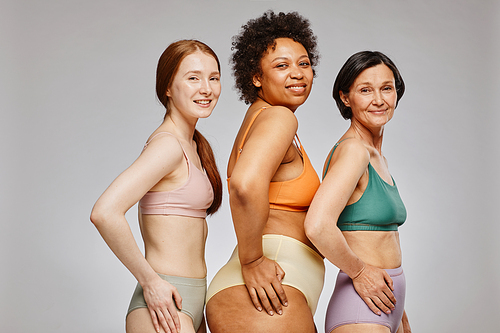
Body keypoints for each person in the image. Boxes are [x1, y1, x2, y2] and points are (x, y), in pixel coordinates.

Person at [90, 39, 223, 333]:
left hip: (190, 298)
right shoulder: (168, 146)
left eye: (213, 78)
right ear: (167, 87)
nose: (207, 88)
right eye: (193, 78)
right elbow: (104, 212)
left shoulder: (194, 146)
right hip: (163, 301)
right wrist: (151, 282)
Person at [205, 11, 324, 333]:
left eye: (303, 63)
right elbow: (243, 185)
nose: (298, 74)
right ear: (256, 77)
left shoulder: (260, 118)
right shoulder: (279, 119)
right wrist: (253, 261)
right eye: (282, 66)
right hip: (266, 291)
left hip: (272, 288)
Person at [304, 51, 411, 333]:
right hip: (361, 307)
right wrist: (361, 272)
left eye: (386, 88)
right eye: (365, 90)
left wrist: (399, 311)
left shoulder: (377, 157)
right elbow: (317, 226)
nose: (379, 100)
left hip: (384, 302)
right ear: (345, 97)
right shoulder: (353, 151)